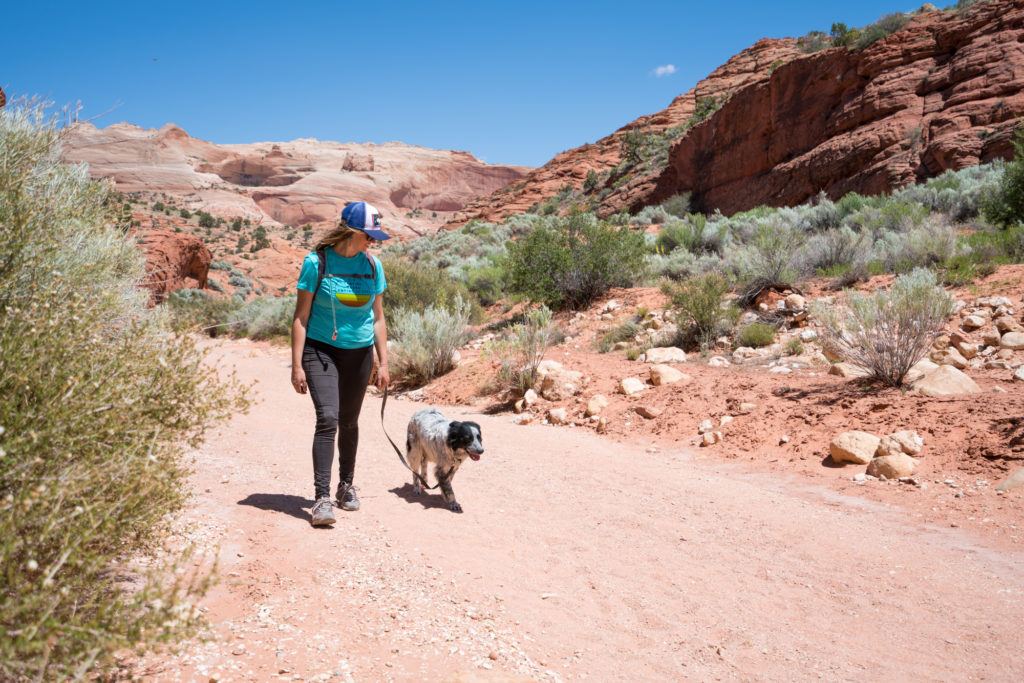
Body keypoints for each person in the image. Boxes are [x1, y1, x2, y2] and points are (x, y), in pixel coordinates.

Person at [291, 201, 391, 527]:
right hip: (321, 350)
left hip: (359, 354)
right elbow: (300, 317)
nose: (372, 242)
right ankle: (321, 498)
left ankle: (345, 486)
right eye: (369, 236)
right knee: (329, 418)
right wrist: (296, 365)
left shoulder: (373, 266)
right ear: (351, 232)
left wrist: (384, 362)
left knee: (350, 421)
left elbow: (378, 317)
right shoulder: (316, 263)